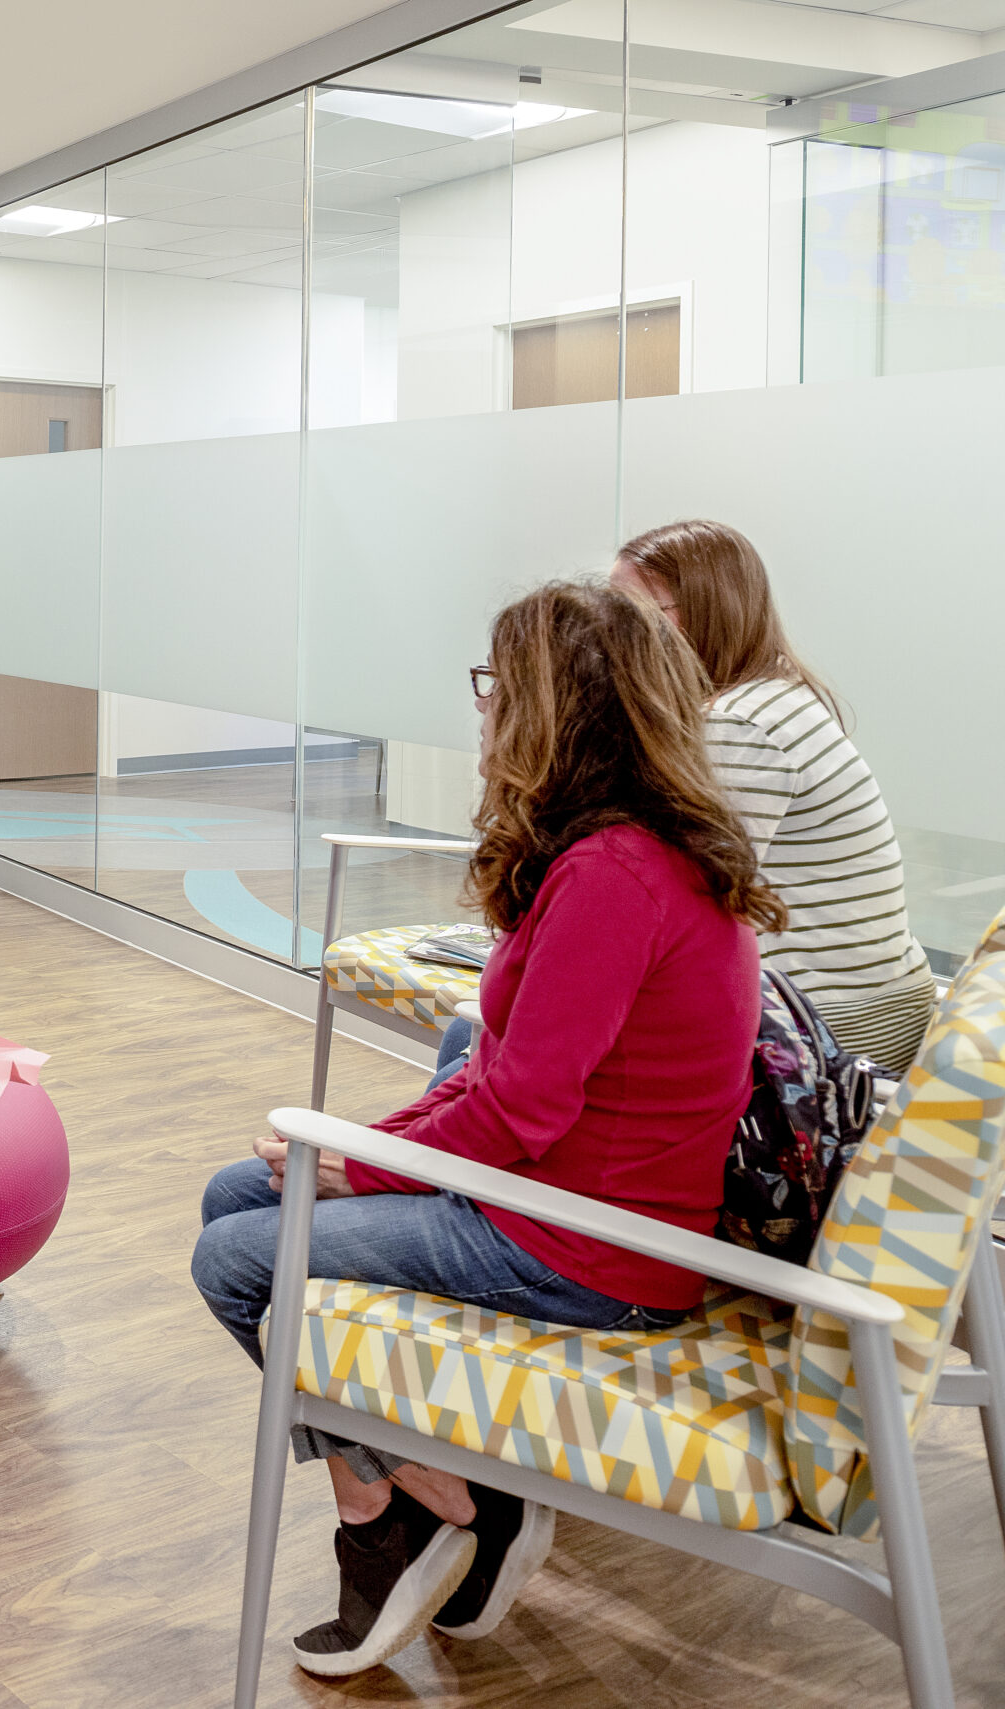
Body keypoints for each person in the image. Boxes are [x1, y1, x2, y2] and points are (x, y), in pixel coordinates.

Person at [192, 581, 777, 1676]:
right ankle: (451, 1494)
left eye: (495, 686)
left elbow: (517, 1110)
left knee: (234, 1254)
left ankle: (400, 1511)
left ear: (556, 709)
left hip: (586, 1245)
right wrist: (341, 1147)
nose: (482, 708)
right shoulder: (635, 852)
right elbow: (496, 1076)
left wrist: (348, 1167)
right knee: (246, 1192)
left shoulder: (614, 875)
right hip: (567, 1199)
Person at [612, 519, 937, 1067]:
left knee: (486, 1055)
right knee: (479, 1050)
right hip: (858, 1005)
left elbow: (687, 900)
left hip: (830, 1029)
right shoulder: (769, 696)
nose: (609, 629)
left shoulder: (740, 725)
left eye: (630, 611)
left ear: (705, 613)